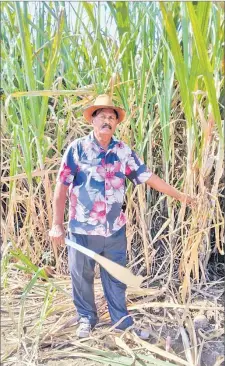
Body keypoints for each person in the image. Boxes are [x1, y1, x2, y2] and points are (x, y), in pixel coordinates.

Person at [49, 94, 194, 339]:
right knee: (81, 278)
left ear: (116, 124)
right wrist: (56, 224)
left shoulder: (122, 151)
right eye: (102, 116)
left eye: (112, 117)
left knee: (116, 278)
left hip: (114, 231)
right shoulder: (77, 150)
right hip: (83, 230)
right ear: (92, 120)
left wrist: (182, 196)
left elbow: (147, 176)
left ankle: (121, 322)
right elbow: (61, 186)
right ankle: (86, 319)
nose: (107, 120)